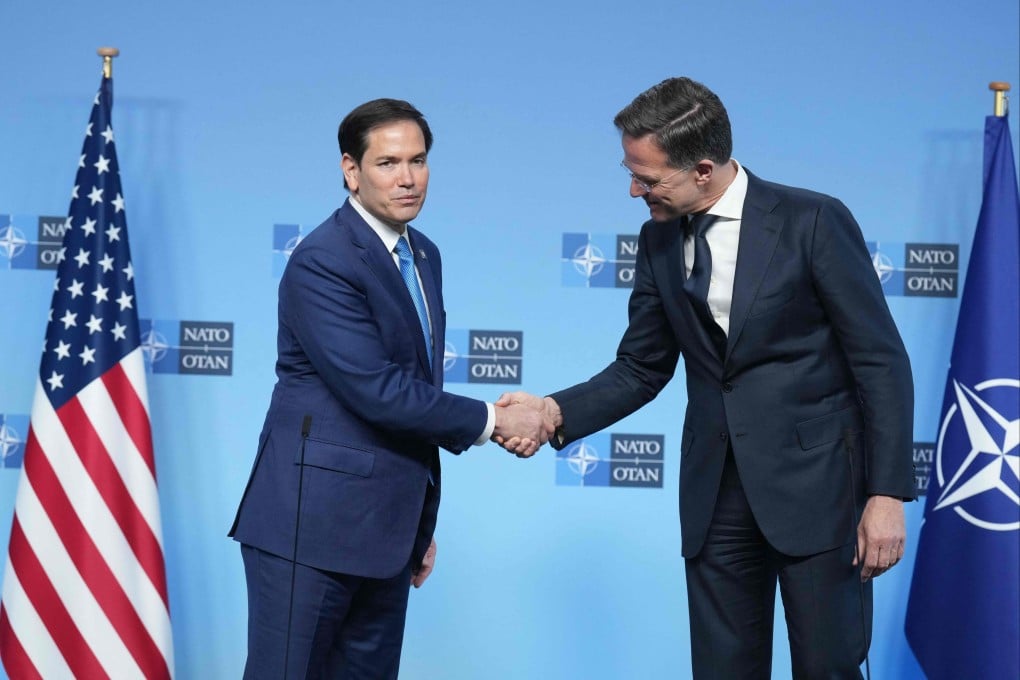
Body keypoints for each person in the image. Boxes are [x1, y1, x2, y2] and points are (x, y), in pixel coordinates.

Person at [498, 77, 915, 678]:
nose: (634, 189)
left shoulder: (813, 220)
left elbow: (881, 359)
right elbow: (642, 366)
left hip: (822, 493)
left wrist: (886, 494)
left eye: (647, 177)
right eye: (630, 171)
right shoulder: (656, 239)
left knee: (828, 669)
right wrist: (553, 412)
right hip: (715, 496)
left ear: (701, 168)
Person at [229, 98, 549, 679]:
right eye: (388, 163)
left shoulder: (424, 254)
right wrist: (497, 420)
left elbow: (417, 392)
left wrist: (416, 528)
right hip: (311, 530)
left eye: (419, 161)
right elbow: (377, 390)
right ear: (350, 170)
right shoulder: (323, 260)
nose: (407, 178)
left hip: (386, 535)